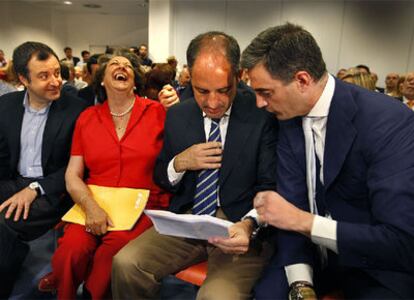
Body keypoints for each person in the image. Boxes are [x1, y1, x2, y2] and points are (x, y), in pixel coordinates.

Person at [240, 23, 414, 299]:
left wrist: (304, 222)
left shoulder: (389, 122)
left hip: (376, 265)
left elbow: (400, 241)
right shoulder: (286, 116)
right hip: (308, 253)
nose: (260, 104)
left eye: (266, 92)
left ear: (302, 80)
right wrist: (301, 283)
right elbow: (291, 204)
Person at [112, 31, 278, 300]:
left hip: (241, 227)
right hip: (189, 222)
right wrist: (179, 163)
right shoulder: (179, 114)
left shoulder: (262, 115)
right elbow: (161, 176)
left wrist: (249, 224)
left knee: (215, 297)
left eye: (223, 91)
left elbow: (271, 187)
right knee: (126, 264)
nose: (213, 103)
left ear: (239, 76)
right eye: (202, 91)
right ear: (190, 77)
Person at [38, 50, 170, 299]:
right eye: (114, 64)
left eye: (129, 65)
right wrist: (90, 207)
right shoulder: (87, 118)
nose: (123, 66)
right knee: (70, 251)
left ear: (135, 79)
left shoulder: (158, 112)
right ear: (101, 79)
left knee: (109, 256)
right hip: (93, 202)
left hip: (142, 204)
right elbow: (72, 175)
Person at [0, 41, 88, 297]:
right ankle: (13, 251)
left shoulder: (76, 110)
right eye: (44, 76)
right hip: (14, 181)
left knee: (4, 224)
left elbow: (76, 168)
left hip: (52, 190)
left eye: (57, 73)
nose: (55, 81)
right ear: (23, 79)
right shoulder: (6, 107)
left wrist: (35, 188)